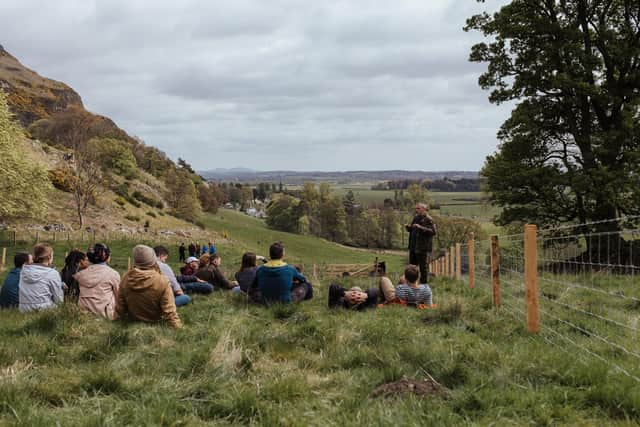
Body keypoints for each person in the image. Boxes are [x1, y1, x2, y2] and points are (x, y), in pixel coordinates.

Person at [117, 245, 182, 328]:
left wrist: (121, 320)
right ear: (152, 260)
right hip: (156, 320)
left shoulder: (125, 278)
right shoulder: (162, 280)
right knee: (185, 297)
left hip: (133, 319)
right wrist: (178, 327)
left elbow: (120, 305)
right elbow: (169, 310)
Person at [75, 243, 121, 320]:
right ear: (106, 256)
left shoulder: (81, 274)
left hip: (83, 315)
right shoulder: (113, 274)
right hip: (105, 315)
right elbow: (119, 296)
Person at [19, 243, 64, 312]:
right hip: (44, 310)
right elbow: (59, 299)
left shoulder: (24, 270)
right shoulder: (52, 273)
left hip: (23, 309)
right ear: (49, 257)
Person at [404, 203, 437, 283]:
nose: (416, 210)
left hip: (422, 247)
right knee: (412, 267)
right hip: (413, 246)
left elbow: (433, 232)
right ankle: (411, 283)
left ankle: (424, 285)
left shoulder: (429, 219)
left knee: (423, 268)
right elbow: (412, 229)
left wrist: (420, 227)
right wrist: (408, 227)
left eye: (418, 208)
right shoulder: (416, 218)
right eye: (416, 208)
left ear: (424, 209)